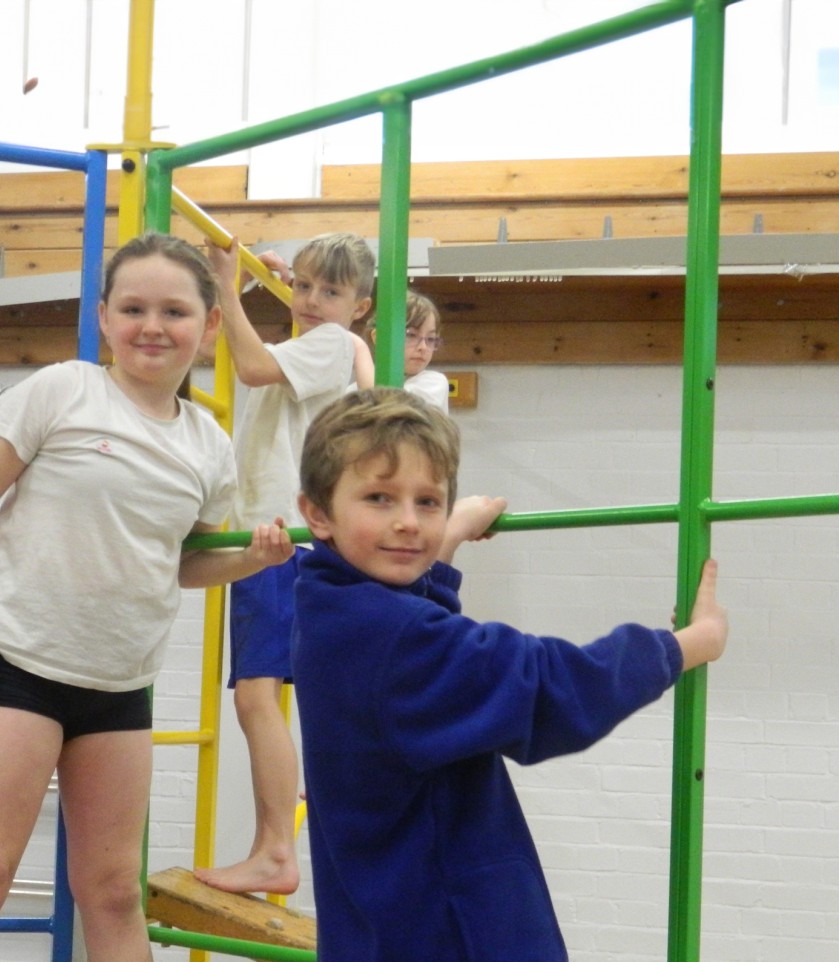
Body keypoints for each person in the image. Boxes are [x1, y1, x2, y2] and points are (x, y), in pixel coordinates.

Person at [0, 232, 294, 962]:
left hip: (119, 684)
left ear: (208, 327)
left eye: (174, 311)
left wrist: (250, 561)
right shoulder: (62, 391)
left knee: (113, 891)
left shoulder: (207, 445)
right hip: (19, 665)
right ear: (104, 317)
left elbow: (182, 566)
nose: (152, 326)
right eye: (133, 307)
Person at [290, 388, 729, 962]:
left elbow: (422, 663)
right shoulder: (397, 640)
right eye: (379, 498)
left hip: (380, 924)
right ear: (316, 513)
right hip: (451, 932)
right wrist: (690, 644)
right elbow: (547, 684)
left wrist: (445, 544)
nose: (407, 523)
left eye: (428, 502)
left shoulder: (325, 606)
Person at [196, 232, 375, 896]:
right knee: (262, 701)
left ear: (360, 306)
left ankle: (275, 850)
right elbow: (260, 353)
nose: (310, 301)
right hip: (282, 536)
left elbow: (248, 365)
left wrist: (224, 283)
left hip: (282, 539)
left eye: (331, 292)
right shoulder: (314, 345)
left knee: (255, 699)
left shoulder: (331, 345)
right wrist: (253, 285)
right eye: (301, 286)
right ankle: (277, 846)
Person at [370, 289, 449, 413]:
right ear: (379, 338)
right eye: (411, 335)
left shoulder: (434, 384)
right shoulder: (354, 389)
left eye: (430, 339)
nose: (423, 347)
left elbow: (391, 405)